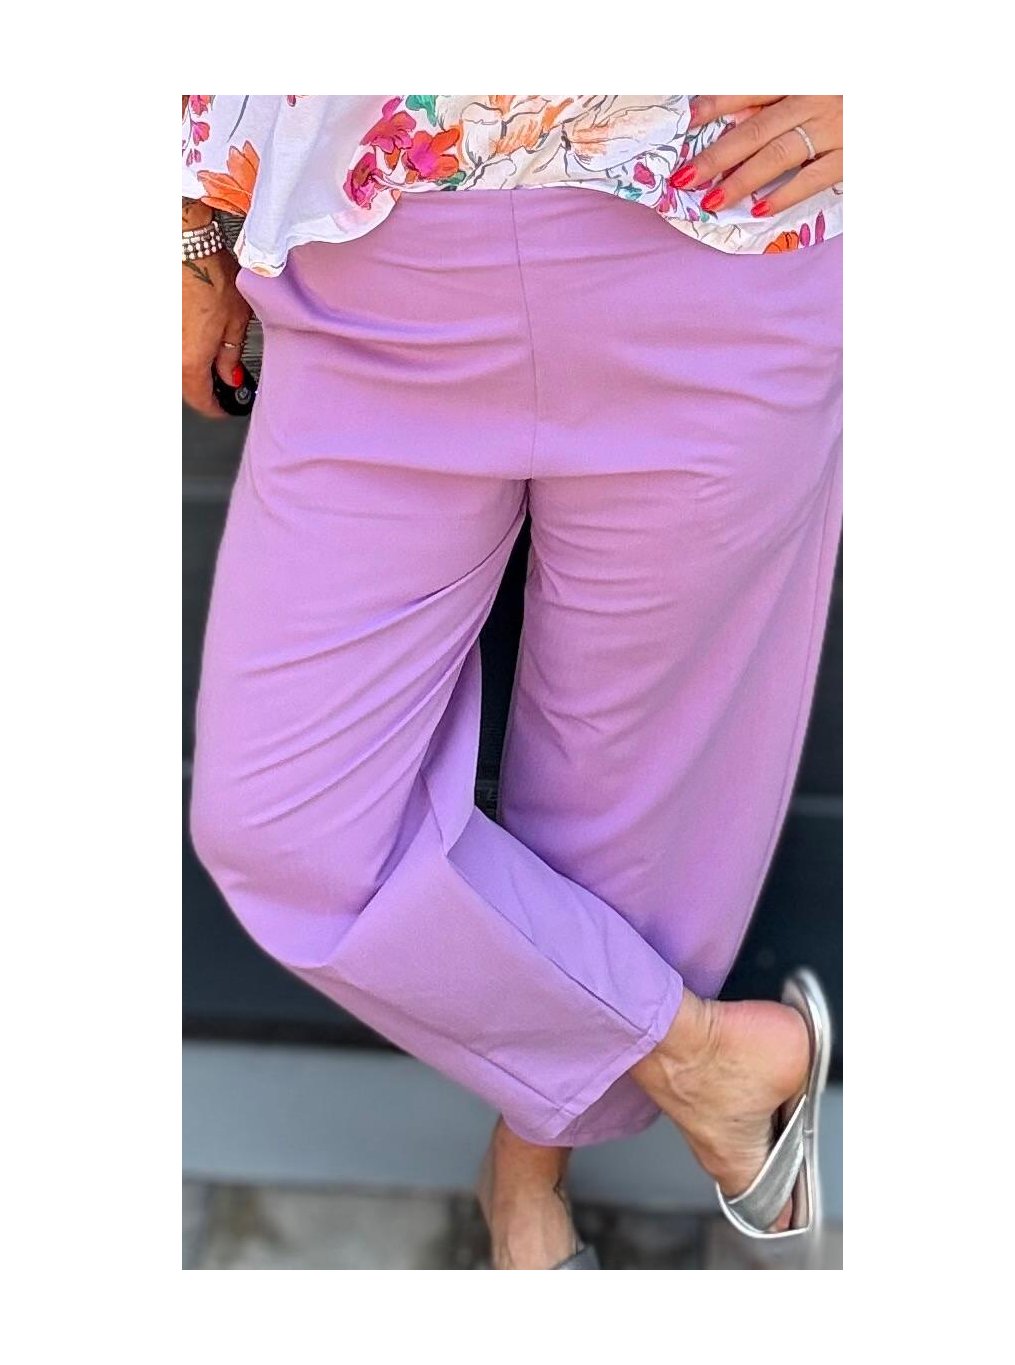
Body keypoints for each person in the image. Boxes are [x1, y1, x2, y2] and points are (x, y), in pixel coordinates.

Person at [182, 95, 843, 1270]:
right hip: (369, 261)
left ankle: (528, 1181)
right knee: (283, 827)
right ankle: (705, 1058)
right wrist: (188, 220)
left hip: (723, 249)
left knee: (628, 818)